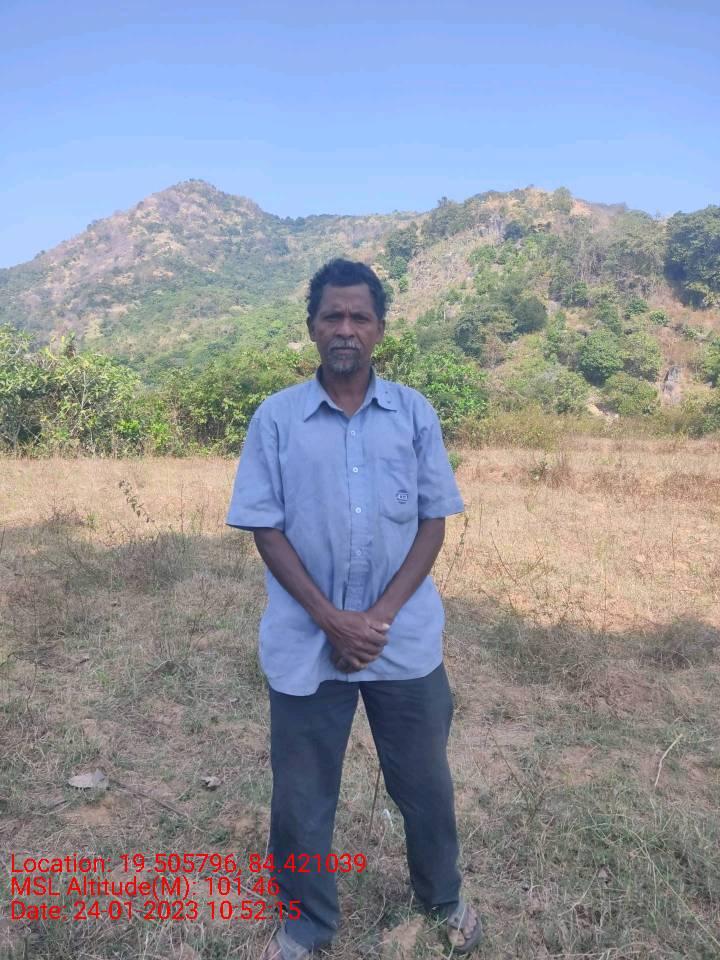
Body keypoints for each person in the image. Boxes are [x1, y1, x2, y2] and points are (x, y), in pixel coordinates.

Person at [226, 258, 482, 959]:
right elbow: (265, 528)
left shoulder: (414, 413)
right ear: (312, 326)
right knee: (303, 795)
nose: (345, 328)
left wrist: (376, 620)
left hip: (404, 639)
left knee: (424, 783)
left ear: (379, 329)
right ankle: (305, 925)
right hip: (305, 639)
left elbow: (433, 522)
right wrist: (331, 620)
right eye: (332, 316)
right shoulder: (276, 419)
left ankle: (442, 898)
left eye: (359, 316)